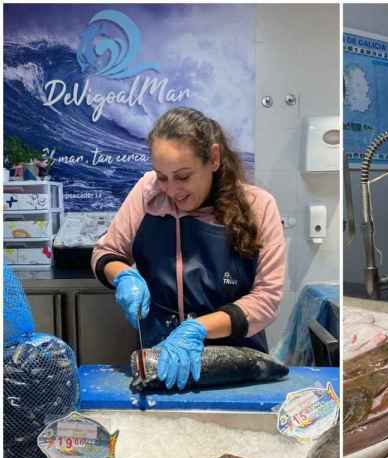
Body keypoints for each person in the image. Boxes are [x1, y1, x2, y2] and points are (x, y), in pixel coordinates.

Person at [92, 107, 286, 390]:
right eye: (162, 176)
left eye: (183, 176)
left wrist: (197, 329)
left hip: (237, 366)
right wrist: (122, 275)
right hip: (161, 358)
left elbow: (267, 298)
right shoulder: (147, 193)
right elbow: (106, 252)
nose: (171, 190)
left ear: (214, 159)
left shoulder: (259, 206)